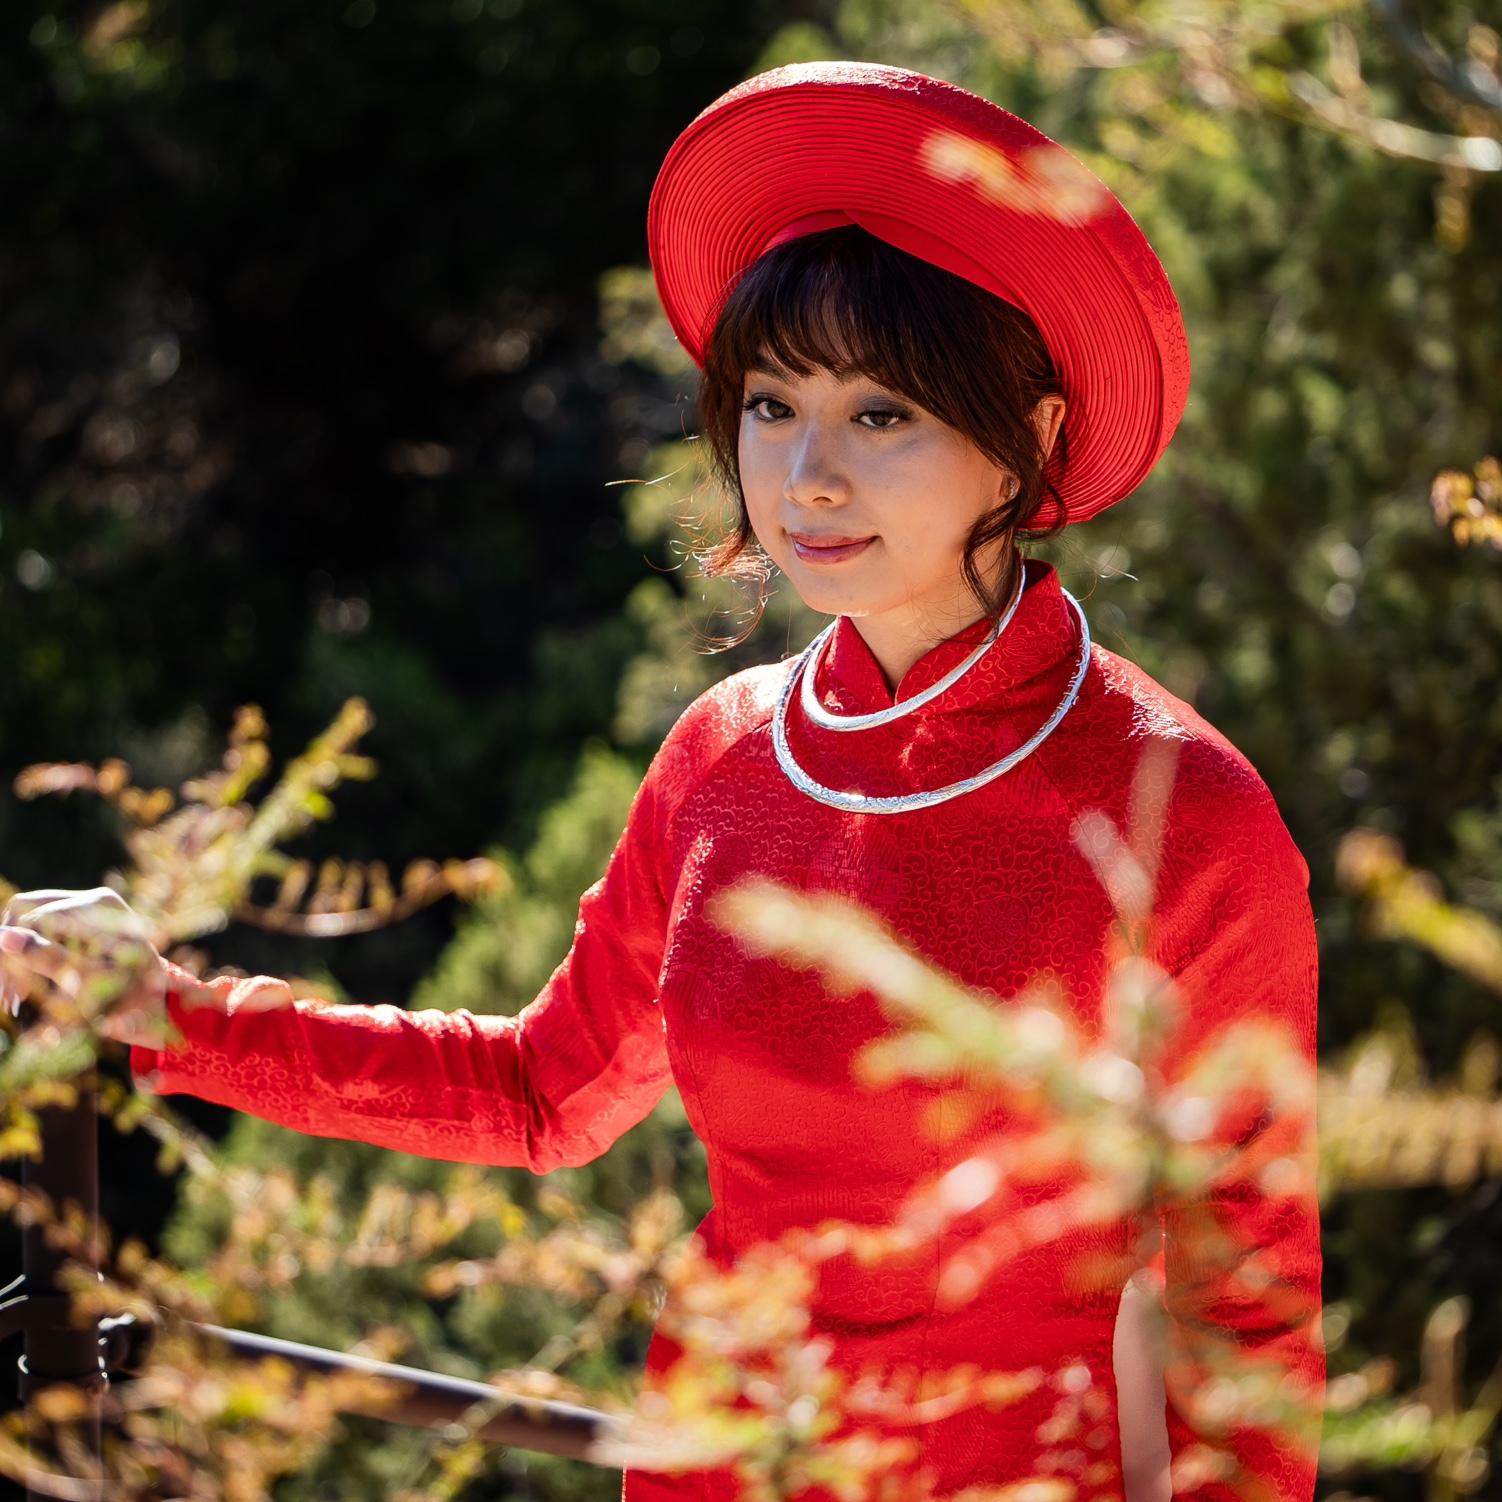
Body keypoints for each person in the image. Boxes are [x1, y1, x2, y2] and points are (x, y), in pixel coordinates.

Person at [0, 61, 1323, 1502]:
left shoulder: (1177, 810)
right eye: (770, 405)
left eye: (884, 414)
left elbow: (1241, 1314)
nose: (807, 476)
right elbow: (539, 1089)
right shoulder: (729, 751)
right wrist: (170, 1017)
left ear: (1037, 439)